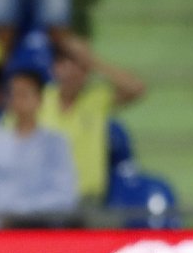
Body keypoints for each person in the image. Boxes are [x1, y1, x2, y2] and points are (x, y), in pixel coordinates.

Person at [39, 36, 146, 201]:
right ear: (54, 67)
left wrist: (93, 61)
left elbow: (136, 89)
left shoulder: (96, 98)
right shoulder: (39, 99)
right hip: (46, 199)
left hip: (88, 200)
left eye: (80, 66)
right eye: (65, 63)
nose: (72, 71)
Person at [0, 69, 77, 228]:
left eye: (24, 94)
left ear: (39, 100)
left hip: (42, 229)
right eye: (14, 94)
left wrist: (20, 214)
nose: (18, 100)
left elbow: (64, 197)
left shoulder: (55, 144)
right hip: (2, 231)